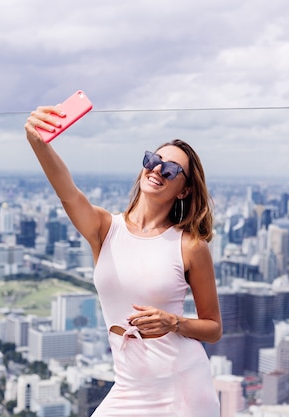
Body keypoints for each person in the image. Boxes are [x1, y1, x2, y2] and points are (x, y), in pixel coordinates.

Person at [25, 105, 222, 417]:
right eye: (153, 161)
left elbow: (213, 328)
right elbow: (68, 193)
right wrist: (39, 143)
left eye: (170, 169)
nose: (157, 170)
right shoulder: (105, 228)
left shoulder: (190, 246)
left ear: (184, 190)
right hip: (129, 386)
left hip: (181, 385)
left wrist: (174, 322)